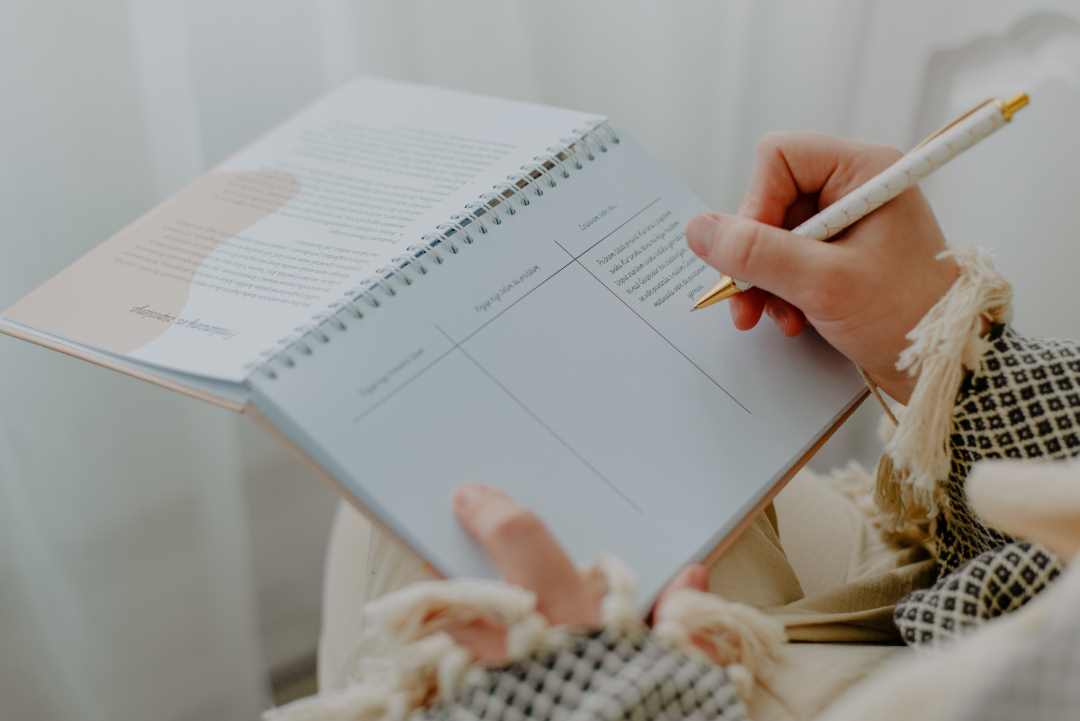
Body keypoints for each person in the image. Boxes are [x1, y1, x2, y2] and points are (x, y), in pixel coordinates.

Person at [265, 133, 1079, 721]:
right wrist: (937, 340)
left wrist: (602, 691)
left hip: (949, 671)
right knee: (428, 512)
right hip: (1004, 601)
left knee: (430, 542)